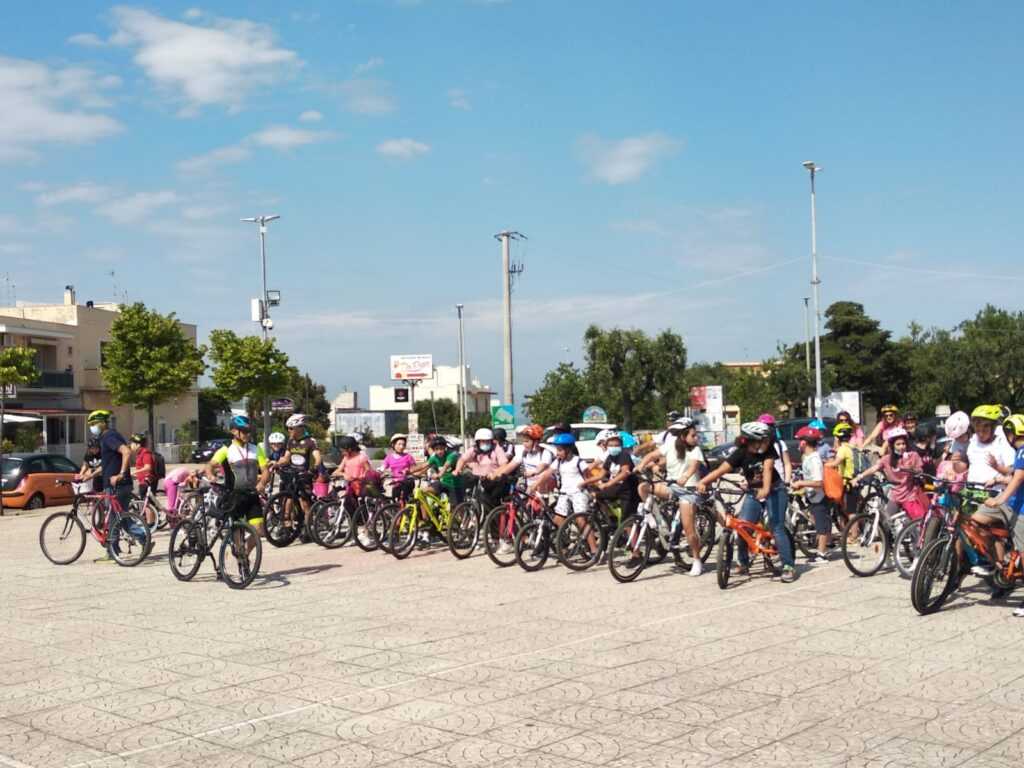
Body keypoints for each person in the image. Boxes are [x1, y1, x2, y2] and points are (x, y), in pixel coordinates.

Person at [697, 421, 796, 583]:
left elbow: (768, 468)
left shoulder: (768, 449)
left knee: (776, 526)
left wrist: (765, 489)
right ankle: (743, 563)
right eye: (762, 440)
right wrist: (703, 482)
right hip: (753, 492)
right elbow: (721, 470)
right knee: (743, 526)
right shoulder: (741, 453)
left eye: (766, 439)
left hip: (775, 490)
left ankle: (788, 566)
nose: (766, 442)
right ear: (751, 440)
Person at [635, 417, 707, 576]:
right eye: (693, 435)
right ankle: (656, 522)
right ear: (682, 436)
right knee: (643, 488)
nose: (696, 438)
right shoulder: (671, 445)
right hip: (671, 486)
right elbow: (652, 455)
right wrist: (641, 465)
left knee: (689, 529)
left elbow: (694, 466)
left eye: (696, 435)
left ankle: (696, 560)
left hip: (688, 490)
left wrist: (686, 477)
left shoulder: (695, 449)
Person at [965, 405, 1016, 575]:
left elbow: (1013, 473)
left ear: (994, 427)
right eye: (978, 425)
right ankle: (994, 568)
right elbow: (968, 464)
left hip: (996, 494)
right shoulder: (972, 442)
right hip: (972, 491)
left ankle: (995, 565)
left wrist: (997, 472)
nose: (981, 430)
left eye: (986, 426)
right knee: (969, 527)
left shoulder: (1003, 444)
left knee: (983, 527)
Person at [983, 414, 1024, 616]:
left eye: (1008, 432)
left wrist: (999, 499)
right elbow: (1014, 474)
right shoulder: (1020, 451)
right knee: (978, 520)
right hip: (1011, 503)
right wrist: (998, 476)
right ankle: (1000, 562)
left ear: (1012, 433)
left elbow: (1018, 478)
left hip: (1021, 509)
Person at [205, 415, 269, 545]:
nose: (247, 434)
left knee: (259, 530)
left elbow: (265, 470)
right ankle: (240, 556)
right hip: (234, 495)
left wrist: (262, 483)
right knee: (237, 530)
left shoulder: (256, 448)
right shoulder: (226, 449)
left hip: (252, 494)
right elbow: (210, 465)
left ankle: (245, 554)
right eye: (244, 431)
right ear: (234, 431)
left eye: (249, 431)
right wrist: (211, 475)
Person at [87, 410, 141, 562]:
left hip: (117, 485)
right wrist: (89, 475)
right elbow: (107, 464)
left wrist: (121, 474)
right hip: (119, 484)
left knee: (113, 519)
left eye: (93, 424)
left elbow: (126, 452)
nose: (92, 428)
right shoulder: (110, 436)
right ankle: (143, 538)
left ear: (102, 423)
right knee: (121, 518)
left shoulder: (108, 436)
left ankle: (112, 553)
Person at [851, 427, 928, 525]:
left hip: (910, 496)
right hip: (895, 496)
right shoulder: (887, 459)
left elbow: (920, 471)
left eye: (903, 444)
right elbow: (874, 468)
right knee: (887, 522)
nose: (901, 447)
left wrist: (912, 468)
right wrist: (859, 477)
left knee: (917, 524)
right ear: (892, 446)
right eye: (898, 444)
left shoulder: (913, 456)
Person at [791, 426, 831, 562]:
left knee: (821, 525)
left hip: (820, 497)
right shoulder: (807, 457)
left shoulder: (814, 459)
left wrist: (802, 483)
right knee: (815, 520)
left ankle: (822, 553)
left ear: (803, 442)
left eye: (799, 441)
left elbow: (819, 482)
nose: (798, 444)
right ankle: (821, 546)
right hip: (812, 496)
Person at [533, 432, 592, 524]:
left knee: (581, 520)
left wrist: (588, 486)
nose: (557, 453)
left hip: (578, 493)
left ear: (568, 449)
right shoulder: (559, 461)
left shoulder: (578, 462)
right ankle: (562, 538)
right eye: (557, 450)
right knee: (557, 520)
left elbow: (589, 477)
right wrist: (534, 485)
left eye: (560, 450)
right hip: (564, 493)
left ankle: (591, 539)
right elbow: (546, 474)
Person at [279, 414, 322, 538]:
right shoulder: (291, 441)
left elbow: (317, 458)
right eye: (288, 428)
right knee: (288, 500)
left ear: (299, 428)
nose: (289, 431)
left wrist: (313, 469)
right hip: (293, 474)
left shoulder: (310, 441)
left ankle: (309, 528)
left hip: (304, 475)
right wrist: (275, 463)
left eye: (291, 428)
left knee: (304, 503)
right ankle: (287, 526)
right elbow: (286, 458)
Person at [581, 432, 639, 522]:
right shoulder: (610, 457)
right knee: (597, 494)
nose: (614, 447)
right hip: (617, 488)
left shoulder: (624, 455)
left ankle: (621, 526)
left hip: (628, 490)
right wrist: (585, 482)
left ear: (621, 445)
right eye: (611, 445)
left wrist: (608, 484)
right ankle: (612, 519)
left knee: (627, 521)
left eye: (616, 445)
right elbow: (601, 475)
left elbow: (624, 473)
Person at [454, 428, 509, 510]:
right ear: (478, 442)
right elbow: (462, 459)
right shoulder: (474, 450)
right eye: (483, 441)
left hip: (492, 481)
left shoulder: (497, 449)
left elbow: (504, 465)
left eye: (488, 441)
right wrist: (457, 469)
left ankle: (492, 520)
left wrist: (494, 474)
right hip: (476, 478)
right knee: (467, 496)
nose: (485, 443)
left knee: (490, 504)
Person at [496, 424, 554, 493]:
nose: (524, 444)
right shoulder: (523, 452)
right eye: (523, 441)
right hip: (529, 488)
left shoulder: (545, 452)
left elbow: (542, 466)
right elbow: (510, 466)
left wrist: (534, 472)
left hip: (544, 489)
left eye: (527, 441)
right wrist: (495, 476)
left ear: (536, 442)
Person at [826, 423, 858, 527]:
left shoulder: (842, 449)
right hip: (854, 480)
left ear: (838, 437)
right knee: (848, 509)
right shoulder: (852, 447)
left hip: (848, 482)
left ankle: (854, 536)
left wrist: (825, 464)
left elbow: (836, 463)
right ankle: (850, 533)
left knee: (850, 511)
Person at [129, 433, 160, 526]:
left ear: (138, 444)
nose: (131, 445)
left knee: (147, 502)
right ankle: (152, 522)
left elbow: (148, 467)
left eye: (132, 443)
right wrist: (136, 475)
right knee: (146, 502)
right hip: (142, 480)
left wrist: (134, 472)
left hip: (147, 481)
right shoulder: (140, 454)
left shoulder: (145, 453)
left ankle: (150, 523)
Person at [757, 413, 793, 483]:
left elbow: (787, 463)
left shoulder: (780, 444)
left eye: (769, 426)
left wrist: (787, 481)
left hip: (779, 483)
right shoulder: (755, 445)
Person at [382, 433, 416, 502]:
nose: (401, 447)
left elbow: (415, 468)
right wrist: (380, 471)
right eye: (399, 444)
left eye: (403, 444)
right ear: (393, 445)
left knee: (406, 500)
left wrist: (408, 470)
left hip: (407, 482)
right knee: (395, 501)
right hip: (396, 483)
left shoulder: (408, 457)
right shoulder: (389, 457)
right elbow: (383, 467)